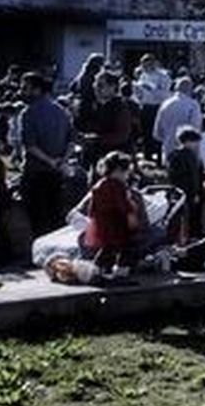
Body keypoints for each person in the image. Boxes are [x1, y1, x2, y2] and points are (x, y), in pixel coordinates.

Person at [19, 73, 74, 235]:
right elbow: (71, 141)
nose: (21, 91)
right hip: (57, 172)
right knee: (55, 215)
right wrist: (62, 161)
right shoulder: (62, 112)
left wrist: (50, 161)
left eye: (25, 88)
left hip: (35, 171)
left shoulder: (28, 113)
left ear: (37, 90)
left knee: (35, 217)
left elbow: (30, 146)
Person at [83, 152, 146, 276]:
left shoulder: (100, 184)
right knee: (126, 246)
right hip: (116, 222)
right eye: (126, 172)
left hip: (104, 222)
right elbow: (122, 205)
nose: (127, 176)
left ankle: (99, 270)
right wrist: (131, 213)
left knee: (108, 248)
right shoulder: (117, 186)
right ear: (118, 170)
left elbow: (92, 207)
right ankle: (120, 270)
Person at [166, 127, 205, 242]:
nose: (197, 144)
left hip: (179, 192)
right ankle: (194, 238)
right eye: (194, 141)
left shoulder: (174, 155)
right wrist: (196, 192)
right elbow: (194, 176)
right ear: (188, 141)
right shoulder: (189, 156)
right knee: (193, 218)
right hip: (190, 191)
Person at [152, 77, 202, 158]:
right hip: (187, 149)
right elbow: (195, 128)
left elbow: (157, 131)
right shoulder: (193, 105)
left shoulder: (165, 104)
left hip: (168, 147)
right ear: (190, 89)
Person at [132, 55, 172, 156]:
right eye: (143, 66)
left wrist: (152, 90)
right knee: (146, 132)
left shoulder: (163, 76)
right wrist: (138, 91)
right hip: (145, 106)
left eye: (147, 65)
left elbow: (166, 94)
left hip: (157, 106)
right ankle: (147, 155)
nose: (144, 68)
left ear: (153, 64)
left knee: (156, 132)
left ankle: (158, 156)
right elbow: (140, 93)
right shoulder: (143, 76)